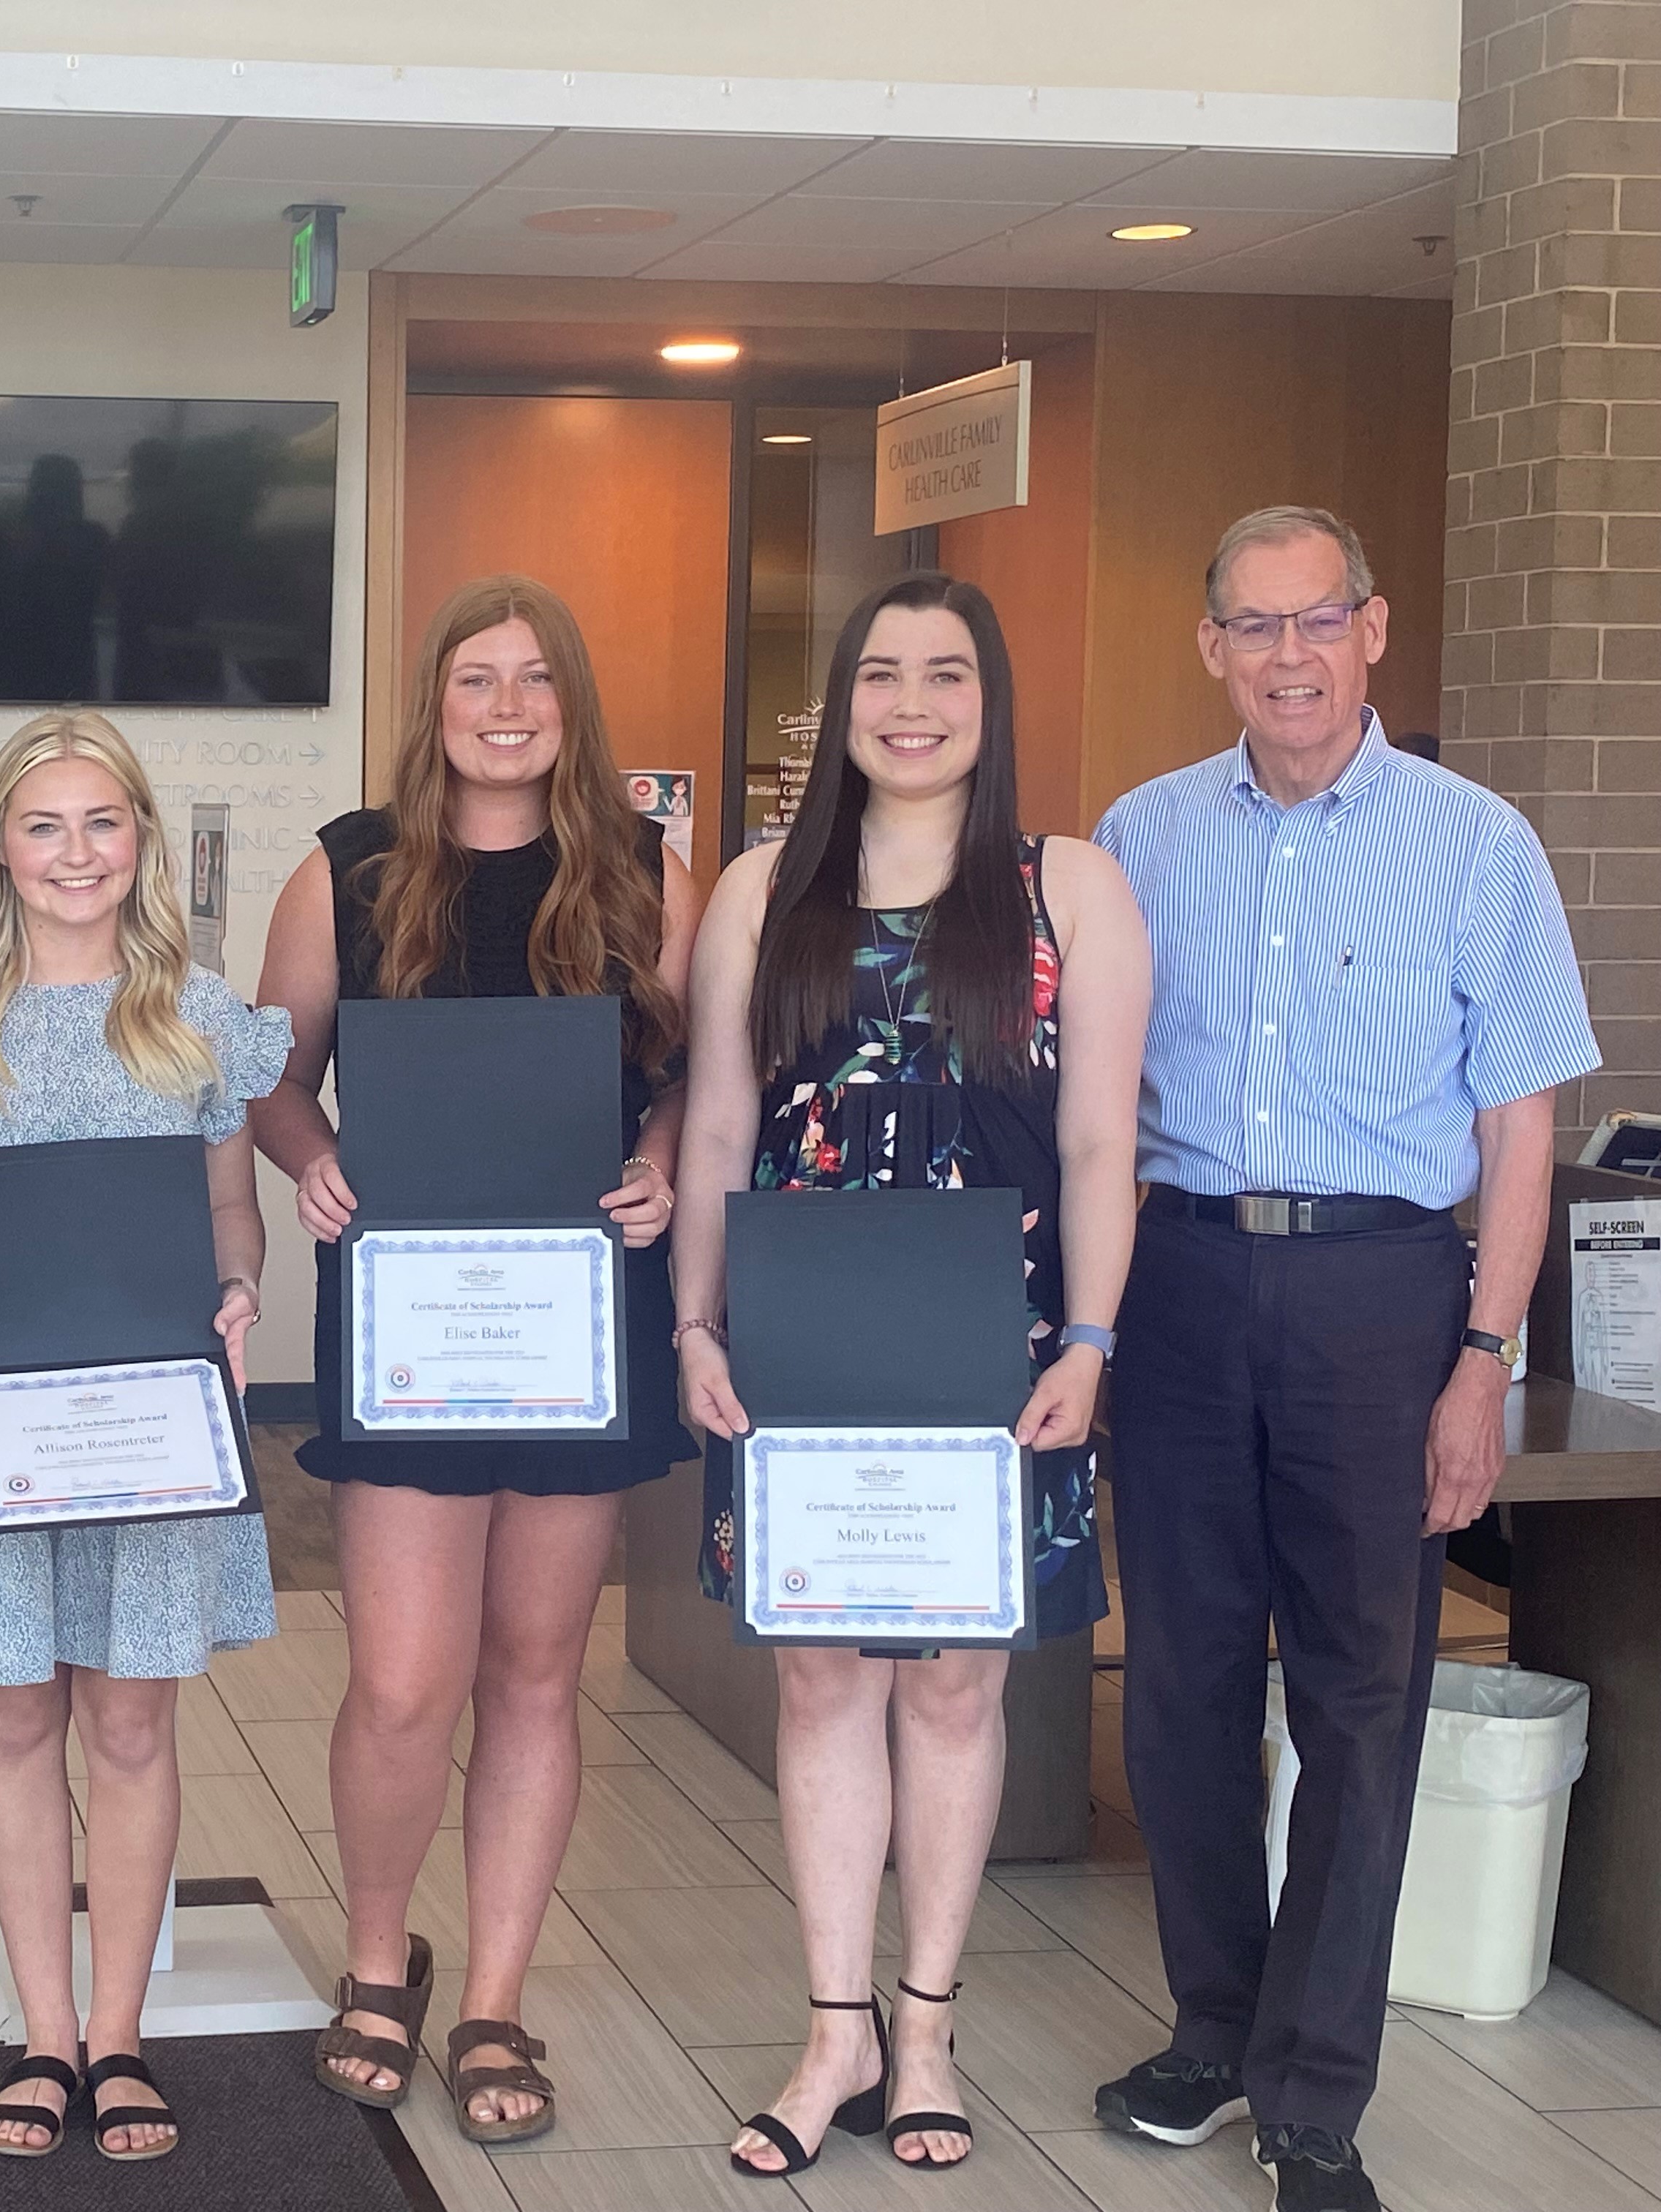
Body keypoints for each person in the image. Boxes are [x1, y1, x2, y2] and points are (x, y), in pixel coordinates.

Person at [1088, 508, 1597, 2212]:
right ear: (1213, 646)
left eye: (1319, 622)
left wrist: (1483, 1358)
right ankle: (1212, 2029)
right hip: (1175, 1281)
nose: (1288, 656)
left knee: (1362, 1697)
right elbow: (1087, 1103)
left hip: (1385, 1296)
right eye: (1254, 626)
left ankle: (1315, 2090)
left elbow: (1523, 1129)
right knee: (1179, 1686)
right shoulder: (1139, 838)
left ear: (1374, 630)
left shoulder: (1477, 843)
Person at [671, 573, 1149, 2178]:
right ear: (843, 702)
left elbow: (1099, 1141)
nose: (914, 702)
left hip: (1002, 1351)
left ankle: (929, 2026)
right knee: (822, 1677)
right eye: (882, 674)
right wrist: (692, 1323)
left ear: (991, 701)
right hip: (805, 1340)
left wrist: (1092, 1338)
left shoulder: (1069, 886)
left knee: (956, 1682)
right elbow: (720, 1128)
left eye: (948, 674)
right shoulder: (760, 891)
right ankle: (834, 2035)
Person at [254, 573, 698, 2144]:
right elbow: (273, 1077)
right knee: (400, 1683)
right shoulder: (349, 873)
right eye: (474, 682)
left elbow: (683, 1080)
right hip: (413, 1326)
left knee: (533, 1672)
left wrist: (657, 1159)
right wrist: (306, 1158)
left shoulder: (646, 869)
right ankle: (384, 1965)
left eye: (534, 682)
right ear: (432, 705)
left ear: (570, 705)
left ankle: (498, 1997)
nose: (505, 708)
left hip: (583, 1326)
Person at [0, 710, 287, 2162]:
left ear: (143, 840)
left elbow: (232, 1206)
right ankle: (43, 2036)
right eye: (45, 825)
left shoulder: (202, 1017)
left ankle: (119, 2039)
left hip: (153, 1420)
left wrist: (239, 1286)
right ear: (0, 849)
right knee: (19, 1714)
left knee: (135, 1719)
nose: (77, 851)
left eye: (104, 822)